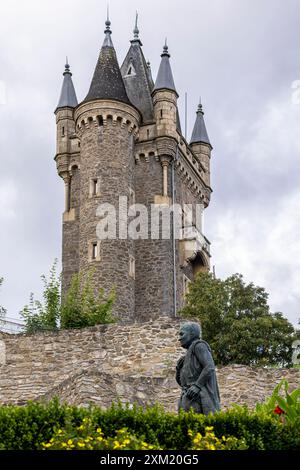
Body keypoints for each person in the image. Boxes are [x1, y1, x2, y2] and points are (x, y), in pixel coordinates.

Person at [176, 322, 220, 414]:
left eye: (182, 334)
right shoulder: (187, 356)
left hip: (199, 396)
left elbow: (209, 367)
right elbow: (182, 382)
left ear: (192, 334)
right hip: (189, 396)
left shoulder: (199, 345)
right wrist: (178, 369)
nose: (179, 338)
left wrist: (197, 385)